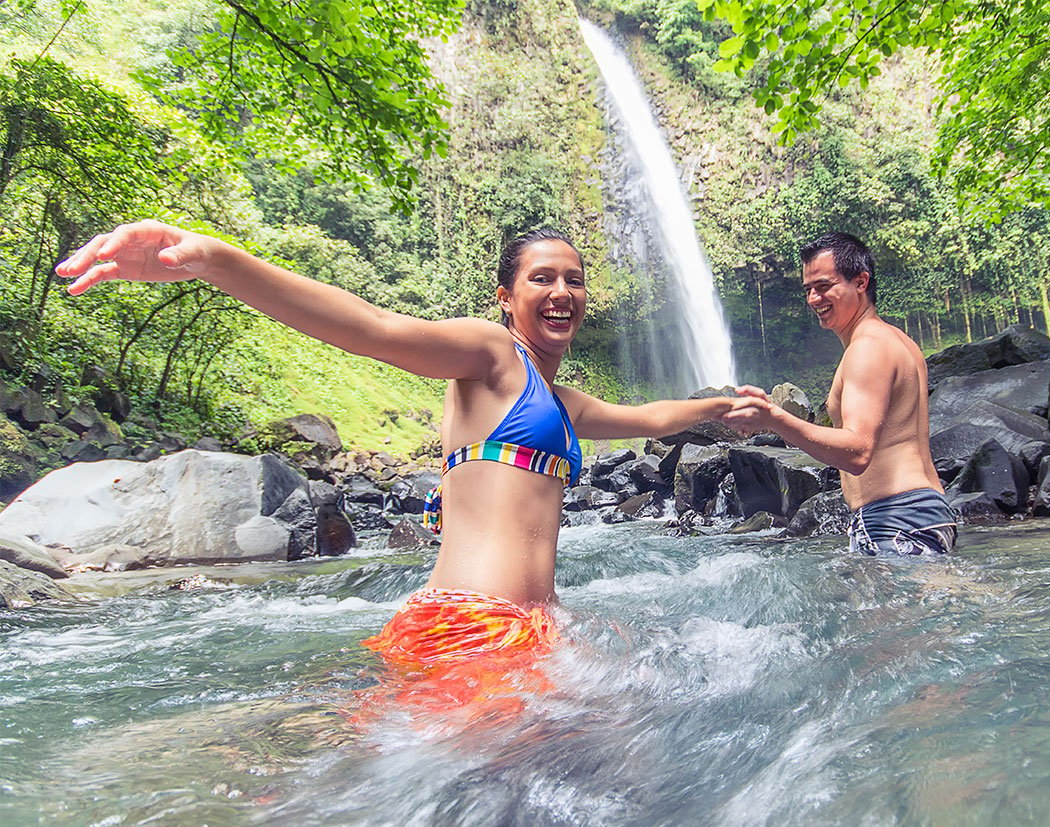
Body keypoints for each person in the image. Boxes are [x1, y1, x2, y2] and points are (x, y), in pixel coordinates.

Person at [57, 221, 750, 669]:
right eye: (543, 277)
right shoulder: (490, 354)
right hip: (472, 627)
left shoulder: (560, 403)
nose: (562, 290)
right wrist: (213, 259)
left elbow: (649, 416)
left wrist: (724, 407)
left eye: (574, 278)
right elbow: (376, 328)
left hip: (524, 628)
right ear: (506, 296)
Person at [721, 232, 957, 556]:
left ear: (860, 282)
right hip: (921, 511)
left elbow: (858, 452)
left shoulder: (867, 349)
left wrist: (774, 419)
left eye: (823, 286)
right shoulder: (898, 341)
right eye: (808, 290)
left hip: (895, 517)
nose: (813, 299)